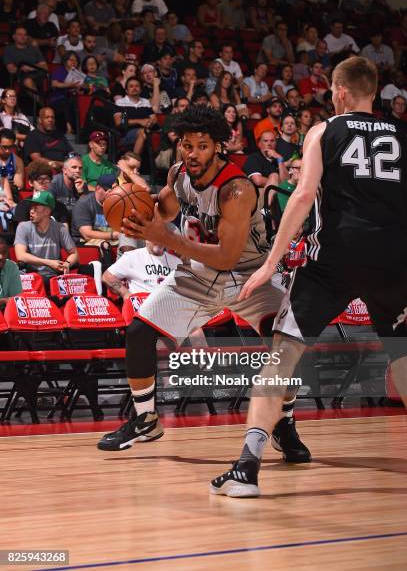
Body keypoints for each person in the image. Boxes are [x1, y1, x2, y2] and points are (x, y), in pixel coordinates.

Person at [211, 55, 407, 497]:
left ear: (338, 92)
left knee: (281, 356)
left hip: (335, 256)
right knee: (402, 354)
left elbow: (301, 198)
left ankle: (247, 467)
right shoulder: (403, 133)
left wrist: (268, 263)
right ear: (374, 93)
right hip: (394, 258)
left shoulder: (324, 130)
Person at [97, 105, 309, 461]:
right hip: (199, 274)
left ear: (218, 147)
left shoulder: (236, 189)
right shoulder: (179, 173)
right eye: (186, 144)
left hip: (247, 275)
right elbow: (163, 210)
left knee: (283, 342)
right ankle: (145, 418)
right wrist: (135, 212)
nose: (192, 153)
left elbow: (227, 256)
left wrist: (164, 237)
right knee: (138, 331)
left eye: (202, 145)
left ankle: (284, 422)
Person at [14, 191, 78, 283]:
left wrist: (67, 264)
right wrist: (48, 262)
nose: (31, 211)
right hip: (31, 276)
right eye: (31, 207)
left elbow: (74, 254)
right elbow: (21, 256)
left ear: (47, 211)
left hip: (54, 277)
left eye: (35, 208)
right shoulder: (23, 227)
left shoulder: (60, 228)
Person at [102, 236, 182, 299]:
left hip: (169, 308)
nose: (158, 241)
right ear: (146, 238)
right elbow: (107, 277)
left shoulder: (176, 262)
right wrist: (125, 293)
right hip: (142, 310)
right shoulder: (132, 256)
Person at [13, 160, 69, 226]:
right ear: (31, 183)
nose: (44, 183)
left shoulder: (60, 207)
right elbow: (22, 232)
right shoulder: (23, 205)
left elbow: (64, 232)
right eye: (40, 180)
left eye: (47, 179)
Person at [71, 174, 118, 245]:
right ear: (98, 188)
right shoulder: (84, 204)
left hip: (111, 239)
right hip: (85, 242)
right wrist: (114, 235)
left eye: (116, 190)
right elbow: (87, 235)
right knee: (104, 245)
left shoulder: (118, 203)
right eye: (108, 190)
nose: (112, 193)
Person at [0, 237, 22, 307]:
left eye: (4, 252)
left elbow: (17, 298)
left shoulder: (12, 267)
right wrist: (5, 300)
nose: (1, 257)